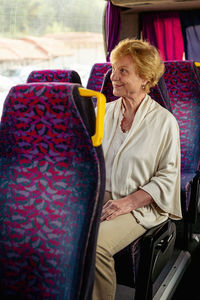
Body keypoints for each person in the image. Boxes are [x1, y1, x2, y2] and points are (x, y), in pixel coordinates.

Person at [92, 38, 182, 300]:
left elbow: (167, 177)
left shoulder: (164, 122)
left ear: (144, 78)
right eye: (113, 68)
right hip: (100, 198)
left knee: (95, 245)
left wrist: (126, 203)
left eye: (123, 71)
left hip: (138, 205)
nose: (113, 76)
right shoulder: (102, 112)